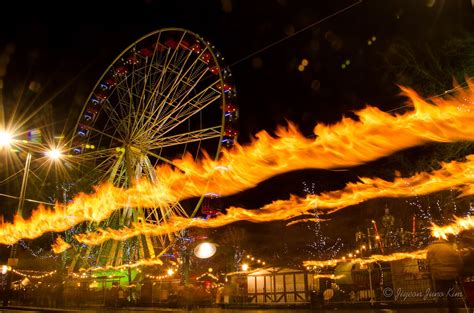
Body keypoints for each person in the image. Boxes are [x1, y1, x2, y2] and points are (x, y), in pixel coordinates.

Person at [426, 235, 463, 313]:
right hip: (450, 275)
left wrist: (431, 270)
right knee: (451, 296)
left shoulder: (432, 248)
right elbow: (458, 259)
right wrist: (457, 270)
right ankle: (453, 310)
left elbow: (428, 261)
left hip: (438, 275)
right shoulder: (450, 247)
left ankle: (441, 310)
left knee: (440, 296)